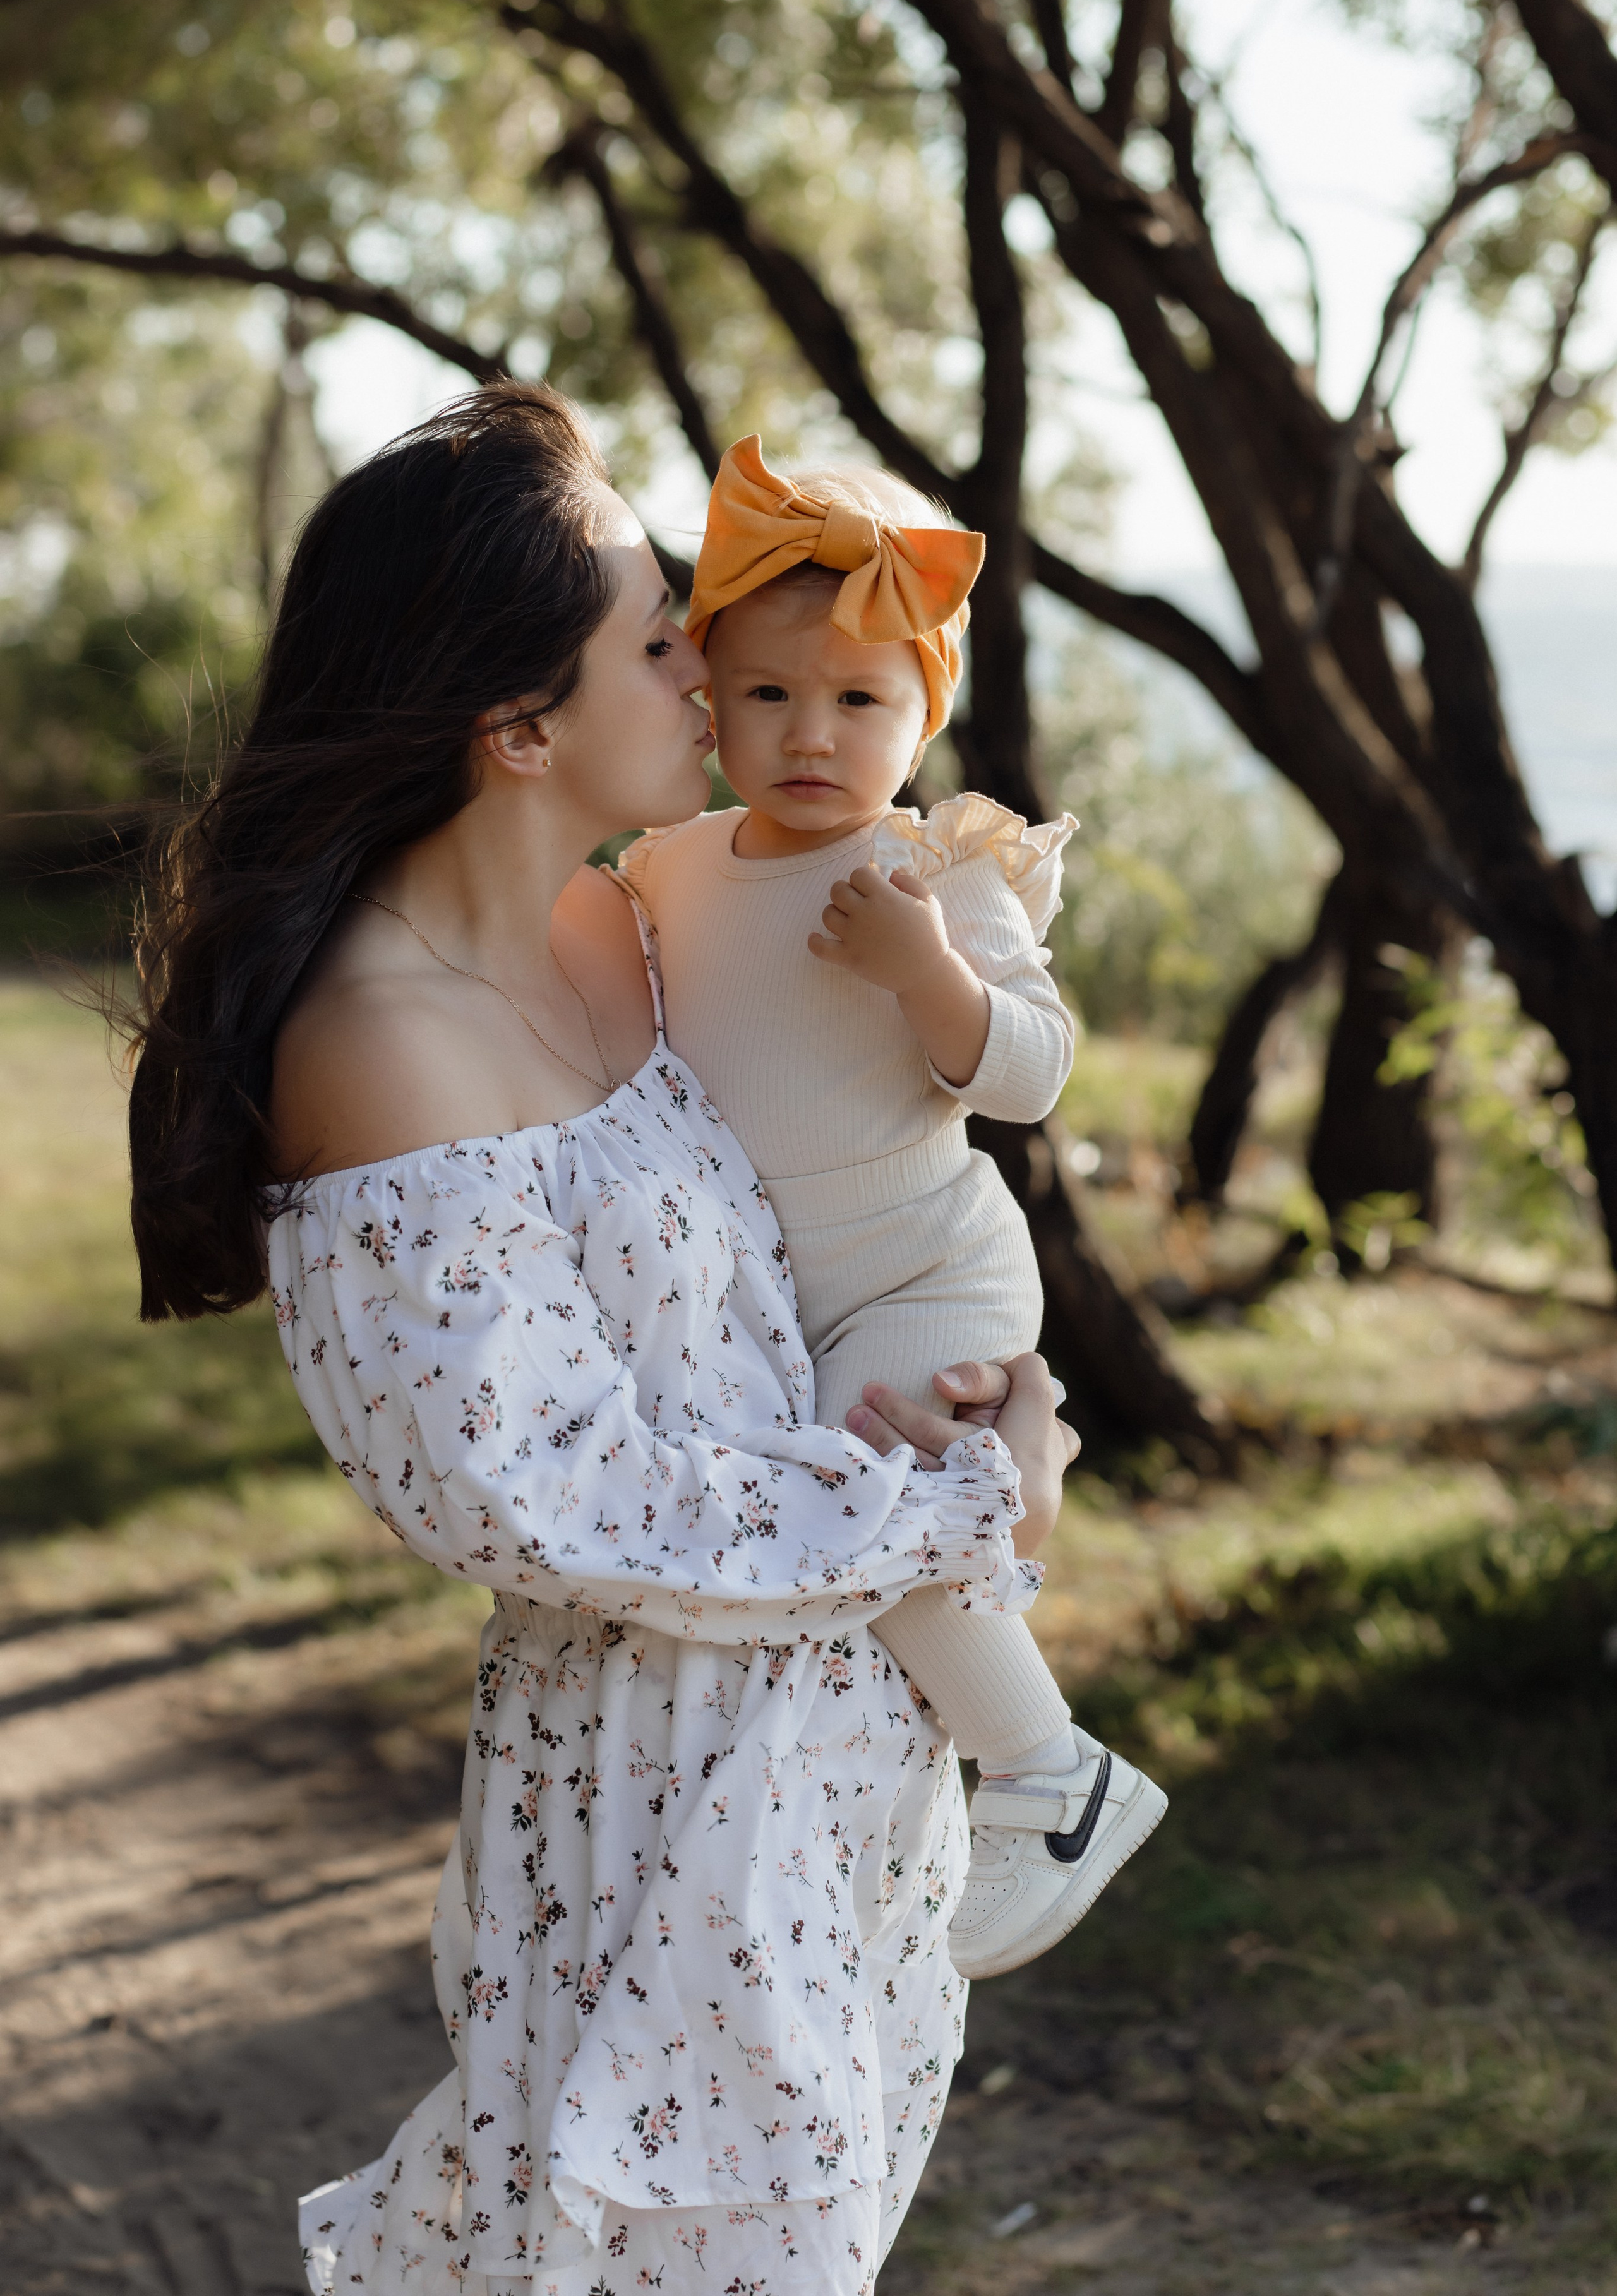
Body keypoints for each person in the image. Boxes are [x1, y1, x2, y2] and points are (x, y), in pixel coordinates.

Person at [125, 384, 1075, 2296]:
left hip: (841, 1782)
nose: (712, 669)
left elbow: (820, 1230)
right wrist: (956, 1500)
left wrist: (999, 1389)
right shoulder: (381, 1043)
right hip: (660, 1816)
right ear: (520, 725)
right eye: (663, 638)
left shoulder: (623, 927)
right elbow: (556, 1500)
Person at [617, 439, 1167, 1982]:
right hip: (771, 1292)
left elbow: (1035, 1076)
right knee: (826, 1525)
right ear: (705, 698)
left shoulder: (929, 868)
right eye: (770, 695)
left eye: (859, 699)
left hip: (926, 1260)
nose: (810, 734)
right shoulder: (665, 868)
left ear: (921, 712)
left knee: (887, 1486)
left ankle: (1049, 1772)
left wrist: (924, 970)